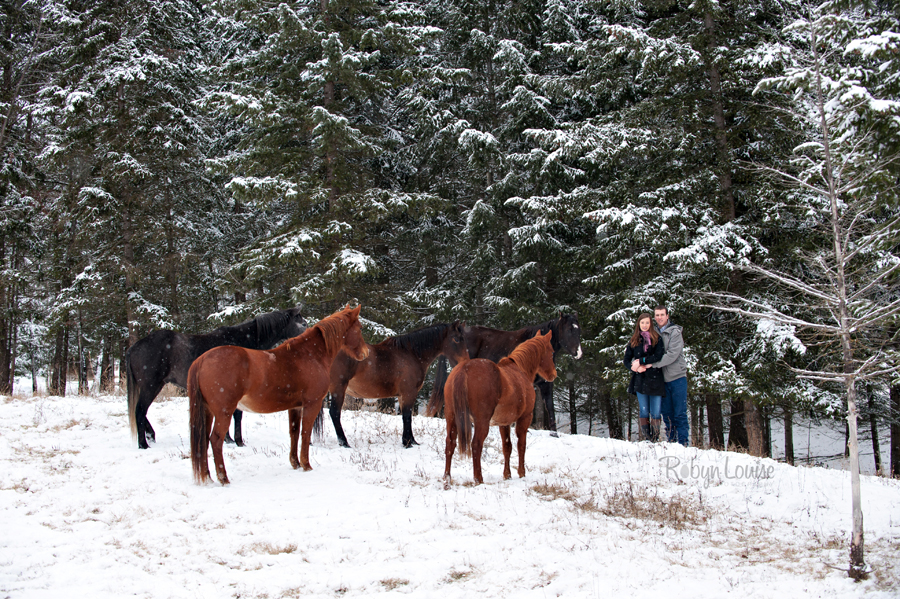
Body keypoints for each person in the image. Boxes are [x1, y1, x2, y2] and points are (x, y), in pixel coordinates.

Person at [633, 306, 689, 445]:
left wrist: (652, 364)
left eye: (662, 314)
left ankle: (683, 444)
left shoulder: (675, 332)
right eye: (657, 315)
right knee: (667, 414)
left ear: (667, 315)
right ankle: (671, 443)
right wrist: (637, 363)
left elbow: (671, 355)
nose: (659, 317)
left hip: (677, 377)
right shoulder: (652, 333)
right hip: (661, 380)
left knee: (680, 413)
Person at [623, 313, 665, 441]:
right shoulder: (634, 340)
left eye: (647, 323)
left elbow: (658, 356)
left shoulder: (657, 338)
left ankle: (655, 438)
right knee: (644, 411)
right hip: (640, 379)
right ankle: (647, 438)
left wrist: (642, 361)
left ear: (651, 324)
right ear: (639, 324)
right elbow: (626, 359)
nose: (645, 325)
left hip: (655, 378)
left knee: (656, 412)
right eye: (642, 323)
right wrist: (634, 367)